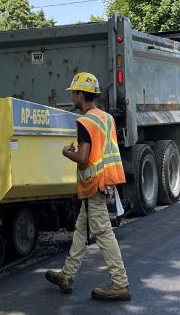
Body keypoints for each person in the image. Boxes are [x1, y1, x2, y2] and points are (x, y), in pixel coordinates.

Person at [45, 72, 131, 301]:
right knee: (81, 229)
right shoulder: (106, 118)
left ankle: (120, 283)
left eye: (74, 93)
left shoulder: (84, 122)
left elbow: (83, 158)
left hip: (93, 184)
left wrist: (67, 152)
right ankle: (67, 275)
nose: (73, 97)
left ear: (81, 95)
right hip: (105, 181)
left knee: (103, 233)